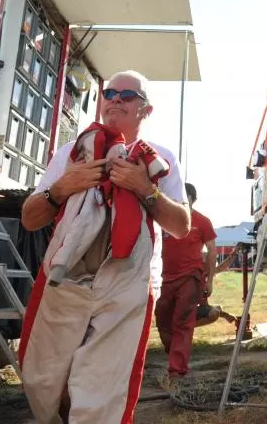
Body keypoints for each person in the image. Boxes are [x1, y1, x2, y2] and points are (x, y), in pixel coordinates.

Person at [18, 70, 190, 424]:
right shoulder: (70, 153)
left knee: (103, 390)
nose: (115, 100)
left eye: (127, 95)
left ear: (146, 109)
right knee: (43, 379)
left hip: (127, 283)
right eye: (109, 93)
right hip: (66, 280)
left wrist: (146, 189)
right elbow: (30, 218)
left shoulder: (159, 159)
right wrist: (62, 188)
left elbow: (181, 226)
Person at [154, 182, 216, 380]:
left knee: (182, 321)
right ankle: (174, 354)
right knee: (163, 322)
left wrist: (210, 280)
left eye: (184, 197)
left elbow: (212, 251)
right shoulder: (163, 220)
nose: (180, 199)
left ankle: (177, 370)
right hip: (163, 279)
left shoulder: (203, 221)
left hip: (190, 277)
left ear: (192, 199)